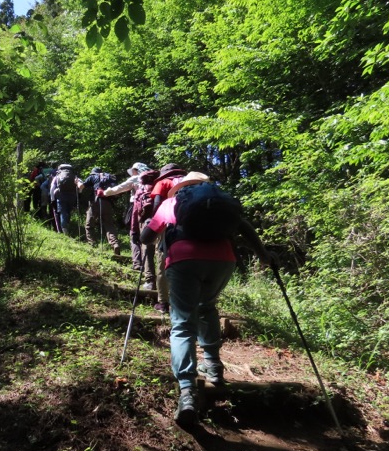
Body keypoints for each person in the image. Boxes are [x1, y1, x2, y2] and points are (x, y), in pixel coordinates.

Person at [140, 171, 274, 427]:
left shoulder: (172, 202)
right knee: (207, 307)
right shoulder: (220, 204)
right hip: (223, 261)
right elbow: (244, 227)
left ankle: (188, 391)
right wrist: (264, 255)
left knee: (182, 324)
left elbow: (147, 237)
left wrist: (150, 233)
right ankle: (213, 366)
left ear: (179, 187)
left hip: (183, 260)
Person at [146, 163, 188, 313]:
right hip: (192, 227)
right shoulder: (189, 182)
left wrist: (154, 223)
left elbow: (157, 202)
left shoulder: (163, 182)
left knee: (163, 262)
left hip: (169, 225)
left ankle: (163, 303)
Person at [99, 162, 152, 271]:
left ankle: (137, 264)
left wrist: (104, 193)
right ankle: (149, 269)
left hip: (136, 207)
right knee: (146, 236)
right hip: (151, 209)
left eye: (132, 171)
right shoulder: (153, 179)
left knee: (134, 234)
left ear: (135, 170)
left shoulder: (136, 178)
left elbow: (118, 188)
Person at [79, 168, 121, 255]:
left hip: (95, 202)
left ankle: (92, 244)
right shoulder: (109, 177)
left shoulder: (92, 177)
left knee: (89, 224)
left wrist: (77, 182)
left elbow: (81, 187)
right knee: (109, 224)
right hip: (107, 203)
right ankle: (115, 244)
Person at [50, 163, 81, 235]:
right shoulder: (74, 176)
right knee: (68, 212)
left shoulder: (57, 177)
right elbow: (81, 185)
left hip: (61, 196)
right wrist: (79, 194)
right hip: (72, 196)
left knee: (63, 212)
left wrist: (52, 199)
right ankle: (67, 225)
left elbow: (52, 188)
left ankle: (64, 230)